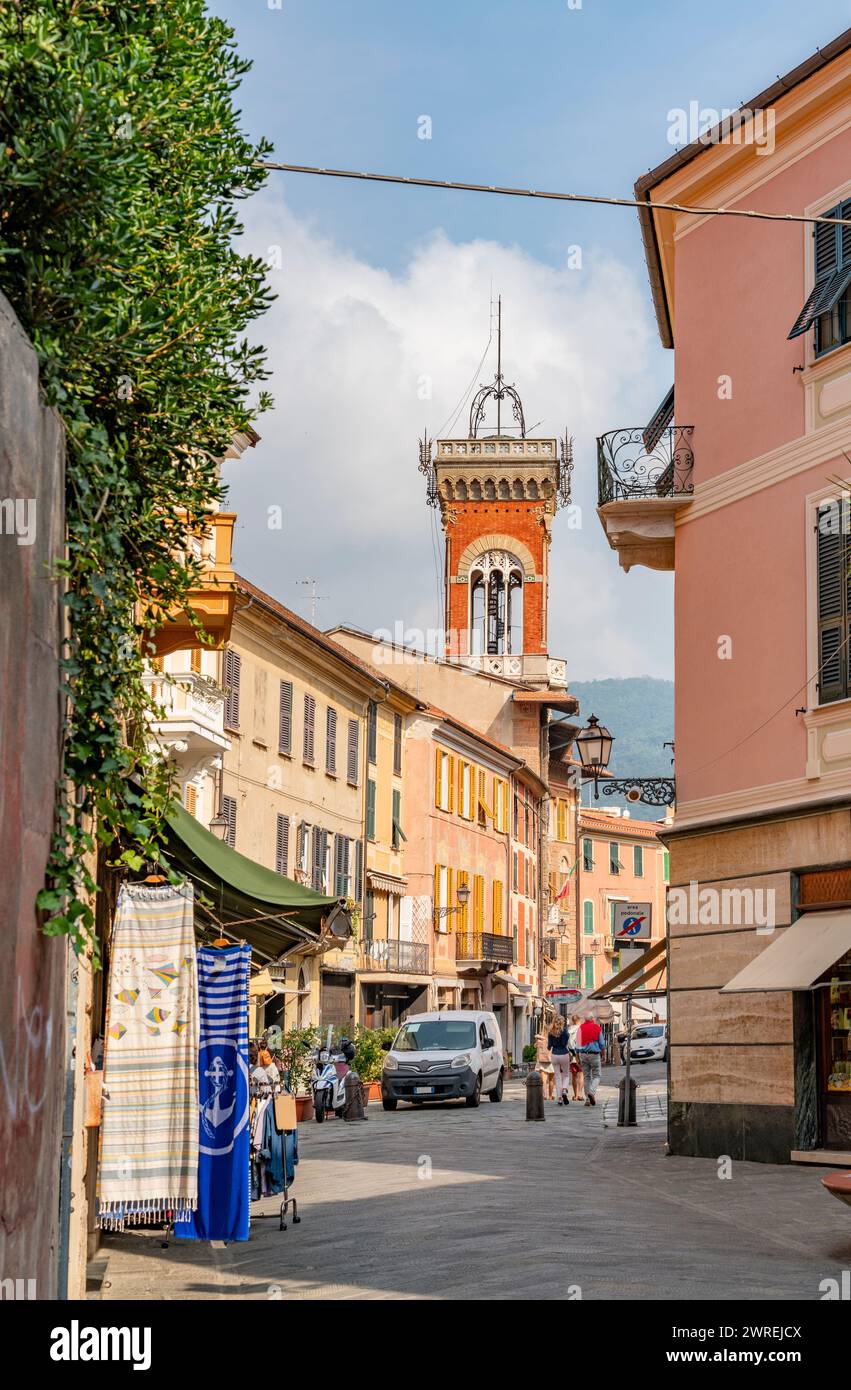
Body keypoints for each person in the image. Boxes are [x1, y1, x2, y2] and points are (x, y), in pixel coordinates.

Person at [577, 1014, 604, 1107]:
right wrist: (603, 1054)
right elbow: (602, 1043)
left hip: (583, 1055)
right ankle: (592, 1092)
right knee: (597, 1075)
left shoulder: (581, 1028)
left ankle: (587, 1100)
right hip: (594, 1054)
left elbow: (577, 1042)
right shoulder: (597, 1027)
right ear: (593, 1019)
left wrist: (577, 1056)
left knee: (586, 1077)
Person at [547, 1014, 571, 1105]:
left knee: (557, 1076)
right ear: (562, 1022)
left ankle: (559, 1098)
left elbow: (549, 1047)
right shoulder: (565, 1032)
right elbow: (566, 1043)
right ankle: (564, 1090)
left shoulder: (550, 1032)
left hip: (554, 1055)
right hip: (564, 1054)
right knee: (566, 1075)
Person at [568, 1013, 585, 1101]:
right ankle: (580, 1094)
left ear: (572, 1021)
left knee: (574, 1076)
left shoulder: (569, 1029)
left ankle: (575, 1095)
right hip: (580, 1055)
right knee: (581, 1075)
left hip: (571, 1056)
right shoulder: (581, 1028)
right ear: (579, 1020)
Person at [534, 1030, 555, 1100]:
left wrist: (538, 1039)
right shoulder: (552, 1038)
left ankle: (544, 1095)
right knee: (551, 1079)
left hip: (542, 1061)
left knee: (544, 1080)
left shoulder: (540, 1040)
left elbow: (535, 1046)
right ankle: (551, 1095)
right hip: (551, 1060)